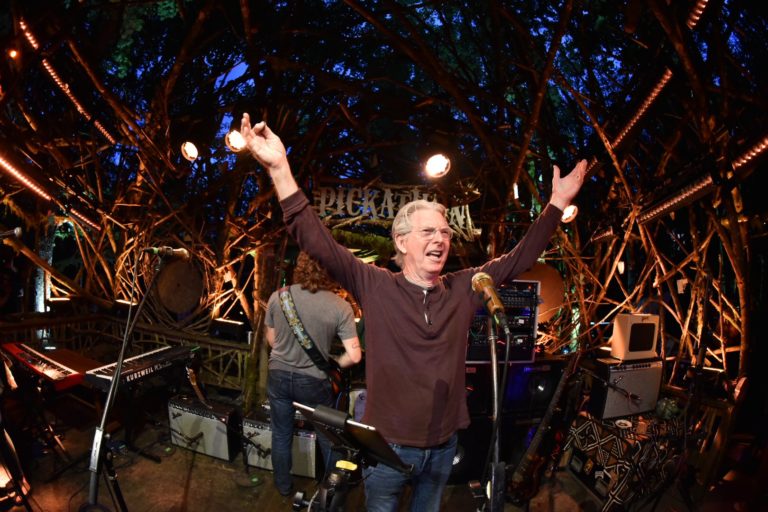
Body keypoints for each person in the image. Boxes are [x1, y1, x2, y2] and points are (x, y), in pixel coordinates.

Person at [244, 113, 586, 511]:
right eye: (428, 232)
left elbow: (519, 258)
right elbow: (315, 239)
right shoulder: (375, 284)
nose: (440, 239)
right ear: (402, 242)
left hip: (443, 448)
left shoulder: (466, 287)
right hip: (388, 449)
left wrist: (556, 204)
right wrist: (280, 168)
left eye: (444, 232)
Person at [264, 251, 362, 497]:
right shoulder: (340, 306)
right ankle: (330, 493)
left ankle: (283, 487)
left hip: (278, 375)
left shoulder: (279, 297)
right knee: (328, 438)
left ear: (300, 268)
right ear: (331, 272)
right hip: (314, 382)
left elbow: (272, 340)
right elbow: (354, 356)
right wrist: (335, 363)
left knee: (281, 434)